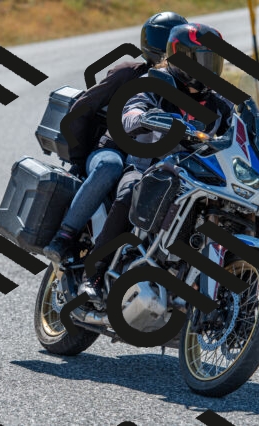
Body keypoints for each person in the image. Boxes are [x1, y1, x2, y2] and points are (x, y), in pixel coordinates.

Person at [78, 23, 235, 302]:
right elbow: (131, 109)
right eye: (202, 61)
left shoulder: (220, 103)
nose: (208, 69)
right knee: (132, 191)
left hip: (196, 177)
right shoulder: (155, 84)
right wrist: (140, 117)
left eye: (213, 61)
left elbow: (240, 131)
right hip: (148, 167)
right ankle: (94, 272)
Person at [43, 11, 189, 264]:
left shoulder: (188, 87)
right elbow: (81, 109)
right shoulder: (128, 73)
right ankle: (65, 235)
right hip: (113, 150)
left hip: (157, 161)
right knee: (110, 166)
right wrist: (79, 159)